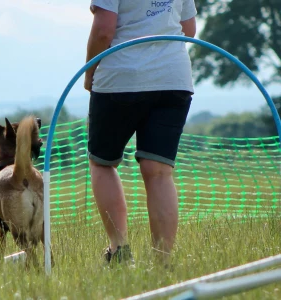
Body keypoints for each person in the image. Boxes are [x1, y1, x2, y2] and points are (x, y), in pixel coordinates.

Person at [84, 0, 197, 266]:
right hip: (173, 78)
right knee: (159, 172)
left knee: (102, 162)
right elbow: (189, 28)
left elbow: (103, 31)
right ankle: (163, 262)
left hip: (120, 79)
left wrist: (89, 75)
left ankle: (119, 250)